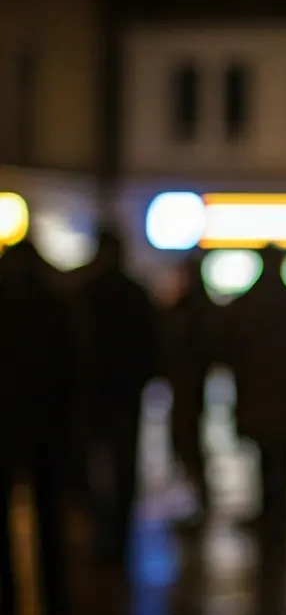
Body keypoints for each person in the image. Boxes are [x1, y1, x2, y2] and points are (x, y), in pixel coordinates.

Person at [0, 241, 75, 615]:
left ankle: (8, 608)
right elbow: (74, 367)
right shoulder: (53, 303)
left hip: (9, 424)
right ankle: (57, 603)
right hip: (47, 424)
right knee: (49, 514)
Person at [76, 229, 162, 568]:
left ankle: (104, 531)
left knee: (95, 463)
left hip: (95, 393)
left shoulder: (85, 293)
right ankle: (119, 533)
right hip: (124, 392)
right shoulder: (134, 294)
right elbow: (151, 347)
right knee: (123, 464)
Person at [223, 245, 286, 533]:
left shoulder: (247, 304)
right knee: (281, 455)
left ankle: (270, 510)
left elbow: (230, 350)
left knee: (265, 455)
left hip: (257, 394)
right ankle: (280, 511)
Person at [163, 251, 220, 530]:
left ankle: (198, 501)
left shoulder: (189, 308)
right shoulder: (200, 307)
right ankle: (198, 500)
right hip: (191, 384)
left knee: (187, 441)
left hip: (188, 384)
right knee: (188, 442)